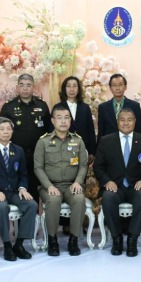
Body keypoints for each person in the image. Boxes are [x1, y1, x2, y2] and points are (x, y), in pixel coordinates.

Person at [93, 108, 141, 257]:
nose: (126, 123)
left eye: (130, 120)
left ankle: (132, 239)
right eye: (122, 120)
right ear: (117, 122)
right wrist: (107, 181)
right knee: (108, 197)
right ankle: (117, 239)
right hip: (115, 186)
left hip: (136, 186)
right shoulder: (106, 140)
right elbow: (98, 166)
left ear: (135, 122)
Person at [0, 117, 38, 261]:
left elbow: (23, 174)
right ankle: (7, 245)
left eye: (9, 129)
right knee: (2, 207)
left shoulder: (18, 150)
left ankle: (19, 244)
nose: (6, 132)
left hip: (14, 191)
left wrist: (22, 188)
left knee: (31, 205)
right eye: (2, 129)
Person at [34, 105, 89, 256]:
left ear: (70, 121)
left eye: (66, 118)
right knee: (53, 200)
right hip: (50, 186)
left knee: (79, 199)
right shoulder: (43, 142)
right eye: (59, 118)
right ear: (53, 121)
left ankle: (73, 239)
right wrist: (49, 186)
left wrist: (78, 182)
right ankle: (52, 240)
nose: (63, 121)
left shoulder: (78, 141)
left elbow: (83, 165)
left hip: (72, 185)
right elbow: (38, 167)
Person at [0, 74, 51, 199]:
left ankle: (33, 216)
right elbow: (1, 131)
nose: (25, 88)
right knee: (15, 185)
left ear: (33, 87)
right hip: (15, 153)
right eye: (22, 85)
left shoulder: (42, 105)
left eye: (28, 85)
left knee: (35, 185)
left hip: (37, 153)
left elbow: (49, 130)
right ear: (17, 87)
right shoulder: (8, 106)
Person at [54, 76, 96, 161]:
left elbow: (90, 130)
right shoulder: (57, 107)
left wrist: (92, 151)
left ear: (79, 89)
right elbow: (53, 130)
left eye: (74, 86)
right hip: (63, 149)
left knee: (82, 173)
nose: (71, 89)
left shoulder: (85, 108)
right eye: (68, 86)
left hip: (83, 149)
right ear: (64, 89)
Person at [96, 73, 141, 140]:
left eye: (120, 85)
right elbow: (101, 131)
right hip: (109, 144)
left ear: (125, 87)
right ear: (110, 88)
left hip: (129, 143)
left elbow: (138, 130)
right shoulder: (103, 107)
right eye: (114, 85)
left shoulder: (135, 106)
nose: (117, 88)